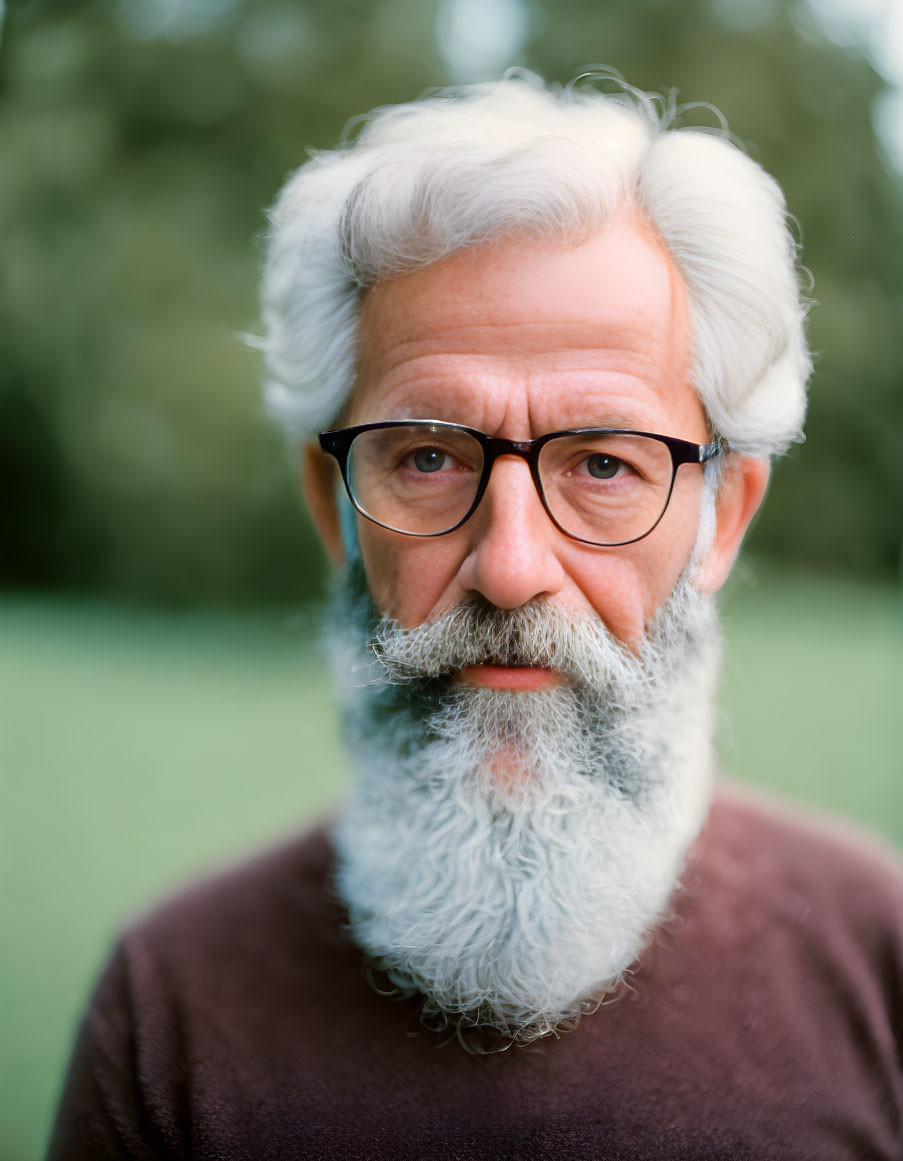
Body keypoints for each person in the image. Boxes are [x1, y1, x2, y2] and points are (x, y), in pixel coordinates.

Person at [49, 74, 903, 1160]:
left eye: (604, 462)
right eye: (429, 457)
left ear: (721, 516)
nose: (509, 568)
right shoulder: (168, 1007)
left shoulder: (879, 954)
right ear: (334, 509)